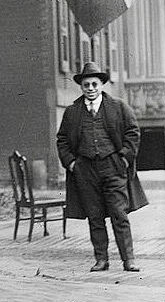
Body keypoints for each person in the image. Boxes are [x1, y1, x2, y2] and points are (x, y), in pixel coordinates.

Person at [57, 62, 148, 272]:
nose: (90, 88)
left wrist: (124, 159)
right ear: (81, 86)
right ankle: (101, 259)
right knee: (95, 217)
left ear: (101, 85)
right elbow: (62, 140)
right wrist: (71, 163)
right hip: (85, 170)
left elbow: (133, 133)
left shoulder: (118, 107)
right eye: (86, 84)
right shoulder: (72, 112)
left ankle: (129, 259)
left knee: (119, 214)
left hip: (113, 168)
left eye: (94, 84)